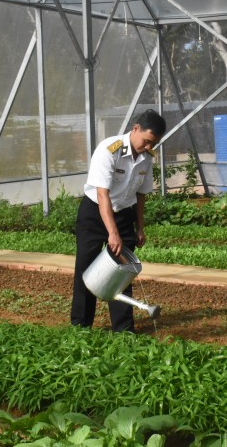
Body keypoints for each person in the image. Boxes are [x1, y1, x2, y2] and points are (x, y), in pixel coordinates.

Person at [71, 109, 167, 332]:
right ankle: (81, 326)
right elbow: (102, 194)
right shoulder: (108, 150)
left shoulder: (146, 157)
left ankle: (124, 330)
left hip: (124, 214)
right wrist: (111, 232)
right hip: (94, 213)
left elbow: (141, 194)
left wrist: (140, 227)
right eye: (147, 141)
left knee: (123, 272)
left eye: (154, 144)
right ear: (135, 129)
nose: (149, 147)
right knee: (86, 269)